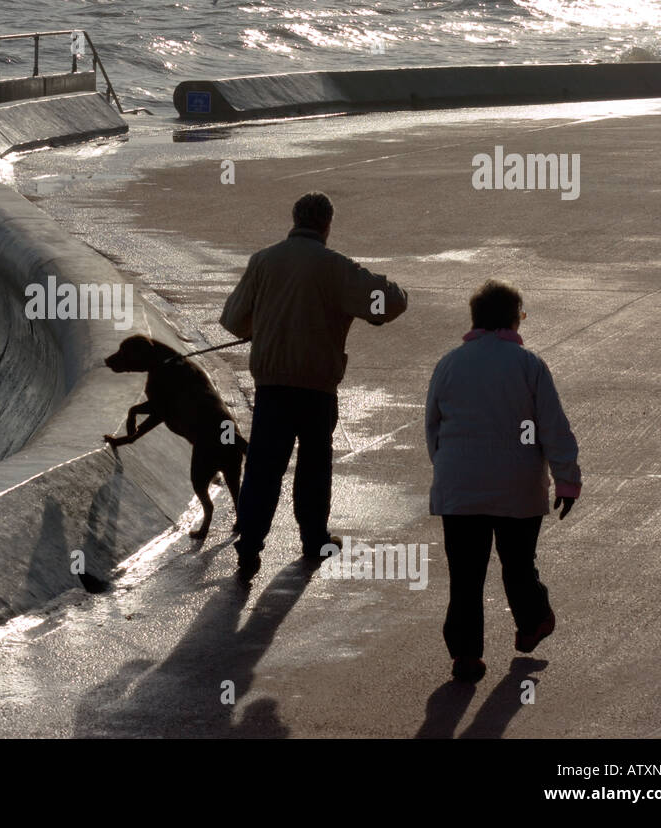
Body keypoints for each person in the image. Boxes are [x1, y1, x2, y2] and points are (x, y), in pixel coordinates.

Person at [220, 192, 408, 582]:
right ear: (327, 224)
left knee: (263, 467)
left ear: (294, 219)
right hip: (316, 388)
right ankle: (313, 538)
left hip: (272, 385)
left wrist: (265, 326)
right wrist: (396, 290)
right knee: (314, 465)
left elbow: (234, 320)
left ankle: (250, 546)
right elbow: (387, 303)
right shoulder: (335, 268)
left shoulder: (264, 261)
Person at [426, 279, 581, 683]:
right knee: (517, 564)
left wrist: (447, 469)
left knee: (465, 574)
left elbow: (433, 428)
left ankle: (465, 655)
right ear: (513, 319)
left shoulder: (449, 364)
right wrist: (567, 481)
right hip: (519, 486)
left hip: (459, 488)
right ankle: (532, 621)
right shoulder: (529, 365)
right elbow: (553, 428)